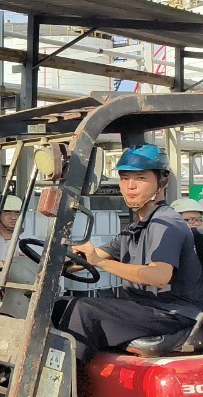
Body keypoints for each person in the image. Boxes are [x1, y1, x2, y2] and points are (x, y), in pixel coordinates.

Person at [57, 145, 203, 359]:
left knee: (81, 311)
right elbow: (89, 258)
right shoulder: (135, 228)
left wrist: (100, 262)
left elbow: (159, 276)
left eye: (140, 178)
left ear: (162, 182)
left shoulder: (166, 224)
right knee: (60, 304)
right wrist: (55, 263)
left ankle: (66, 378)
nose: (130, 186)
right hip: (144, 308)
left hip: (172, 313)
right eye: (125, 178)